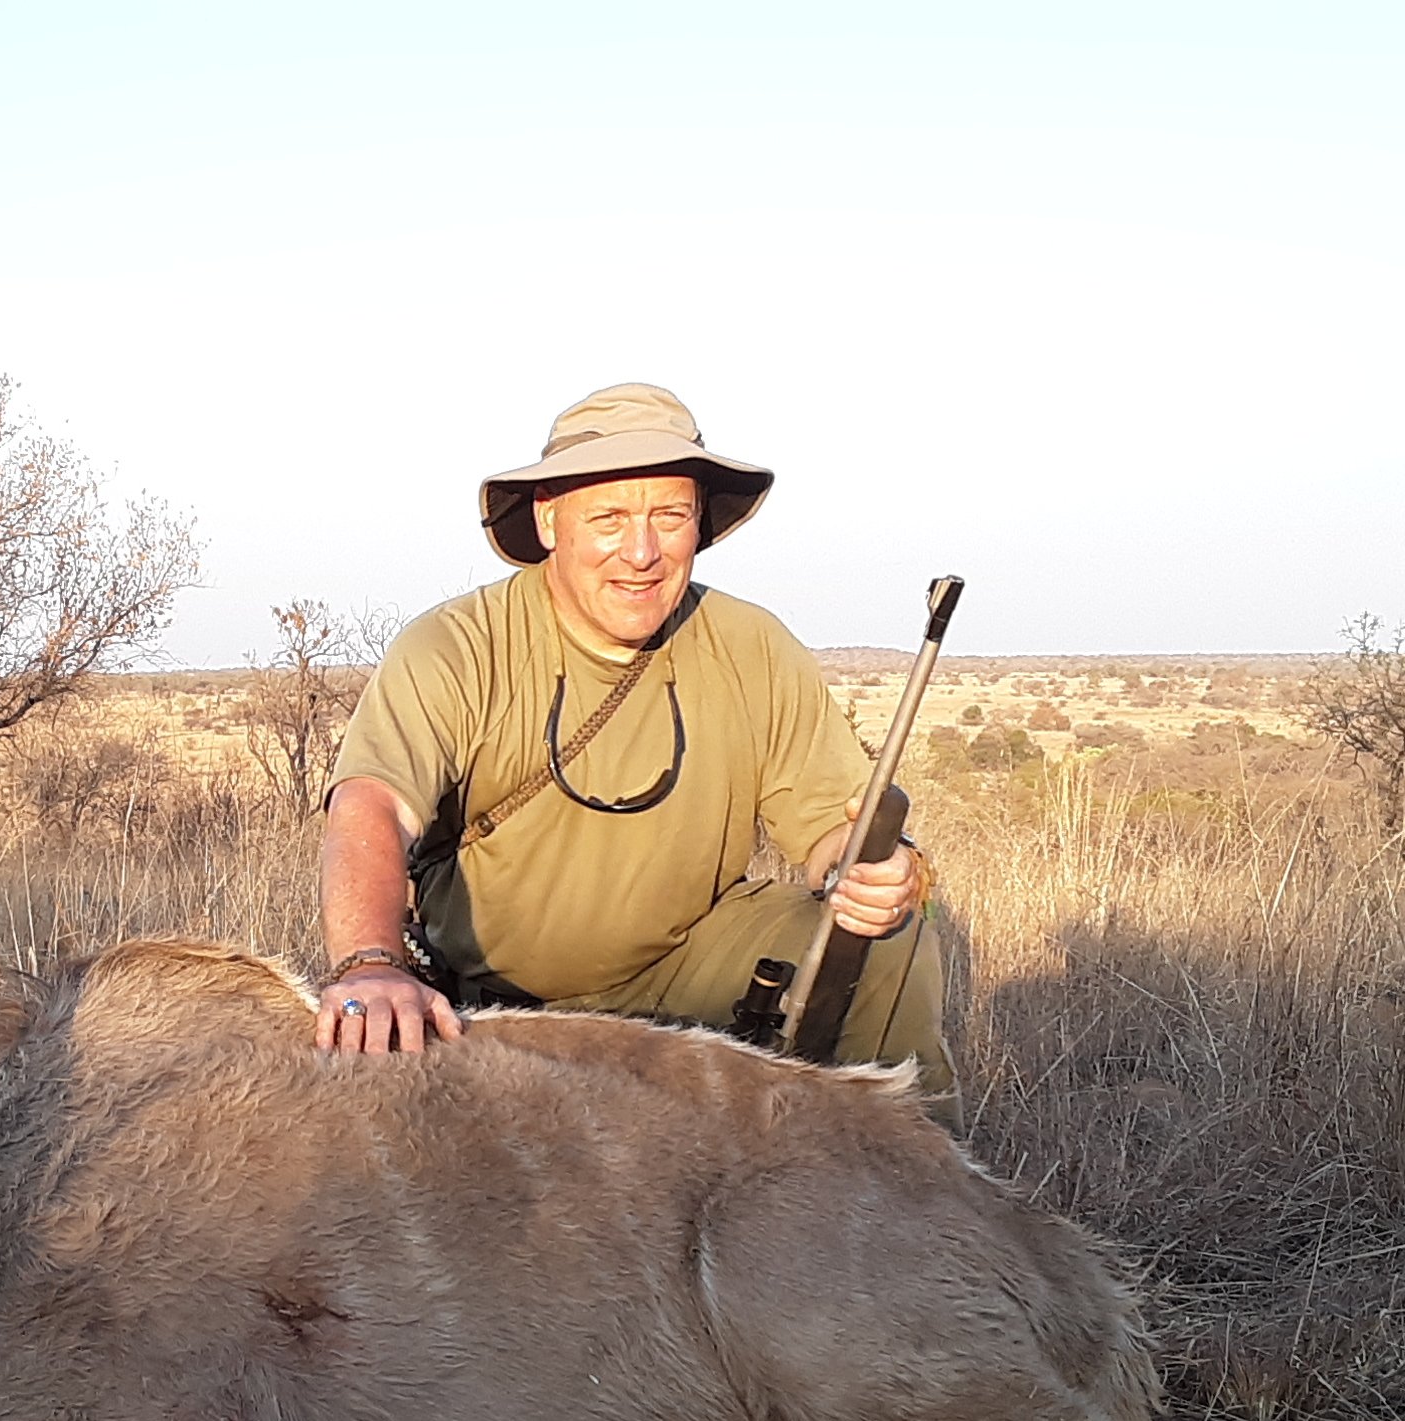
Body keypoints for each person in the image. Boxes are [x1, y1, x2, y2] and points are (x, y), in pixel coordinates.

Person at [314, 382, 955, 1125]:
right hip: (497, 997)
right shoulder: (458, 644)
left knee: (889, 938)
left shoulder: (751, 644)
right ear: (551, 521)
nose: (642, 552)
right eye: (610, 518)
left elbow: (831, 825)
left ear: (699, 526)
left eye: (669, 516)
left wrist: (869, 870)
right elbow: (372, 803)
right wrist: (370, 962)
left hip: (689, 964)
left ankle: (930, 1197)